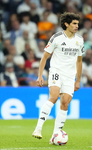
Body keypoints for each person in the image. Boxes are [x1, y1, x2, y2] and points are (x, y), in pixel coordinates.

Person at [32, 12, 84, 144]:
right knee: (54, 97)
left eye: (77, 23)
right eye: (74, 23)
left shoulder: (80, 40)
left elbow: (79, 61)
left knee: (65, 104)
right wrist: (40, 75)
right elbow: (44, 57)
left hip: (70, 76)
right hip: (56, 71)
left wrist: (77, 80)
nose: (77, 26)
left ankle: (55, 135)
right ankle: (38, 129)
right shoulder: (57, 37)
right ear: (66, 24)